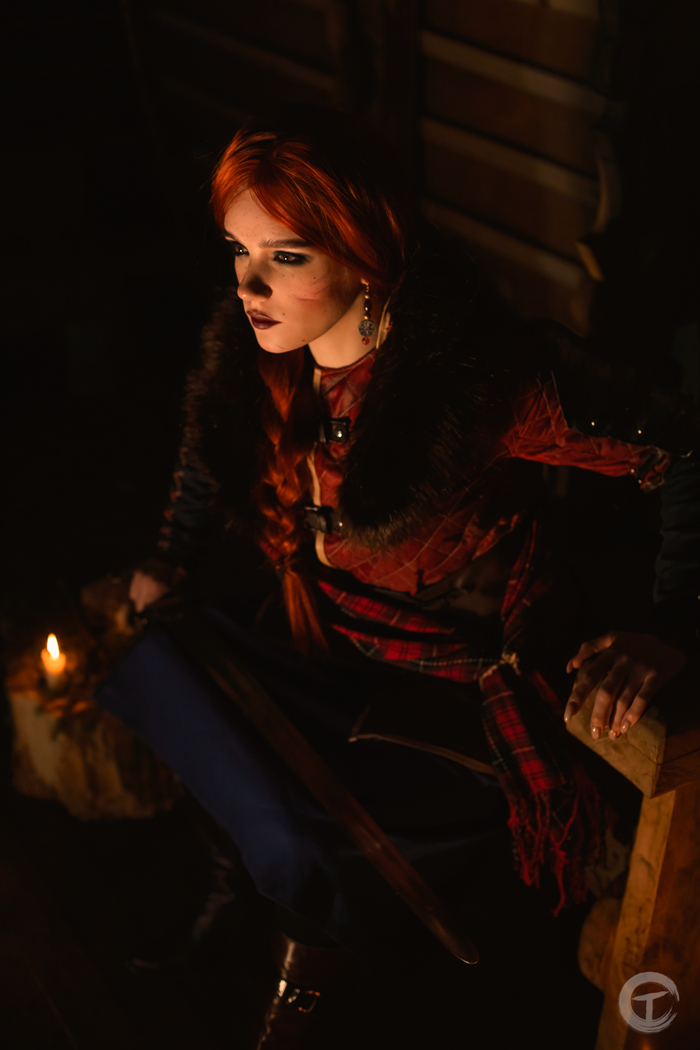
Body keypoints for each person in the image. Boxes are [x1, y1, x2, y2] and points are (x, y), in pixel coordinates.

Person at [99, 106, 698, 1047]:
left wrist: (673, 624)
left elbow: (684, 447)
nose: (248, 286)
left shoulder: (474, 379)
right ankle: (230, 888)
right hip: (324, 629)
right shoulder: (263, 345)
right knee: (171, 665)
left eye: (285, 257)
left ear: (364, 252)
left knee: (310, 836)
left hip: (447, 674)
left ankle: (297, 999)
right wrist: (172, 552)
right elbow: (212, 444)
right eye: (238, 252)